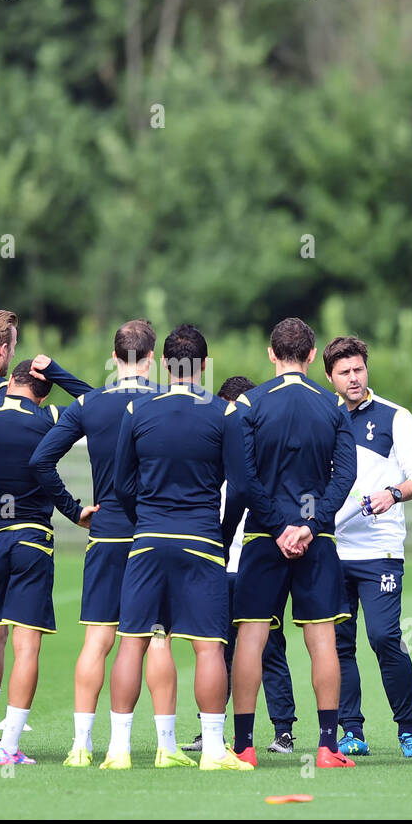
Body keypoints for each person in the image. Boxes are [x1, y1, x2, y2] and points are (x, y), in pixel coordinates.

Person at [27, 319, 181, 767]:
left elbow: (41, 460)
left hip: (107, 531)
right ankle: (166, 747)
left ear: (115, 357)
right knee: (157, 639)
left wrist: (73, 510)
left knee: (98, 640)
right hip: (152, 533)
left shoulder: (91, 404)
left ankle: (80, 747)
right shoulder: (162, 401)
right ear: (152, 357)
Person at [106, 325, 252, 771]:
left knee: (131, 642)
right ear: (205, 367)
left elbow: (120, 484)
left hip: (148, 540)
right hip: (202, 539)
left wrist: (147, 518)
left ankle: (119, 750)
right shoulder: (223, 414)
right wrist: (221, 535)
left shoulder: (136, 407)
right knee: (208, 647)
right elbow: (242, 486)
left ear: (165, 365)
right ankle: (211, 751)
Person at [0, 310, 89, 757]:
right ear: (40, 390)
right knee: (25, 644)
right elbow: (99, 402)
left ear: (9, 381)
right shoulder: (49, 416)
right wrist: (58, 373)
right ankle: (9, 746)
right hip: (32, 540)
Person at [230, 317, 357, 769]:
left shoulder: (248, 403)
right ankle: (328, 747)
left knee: (251, 638)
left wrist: (278, 526)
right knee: (322, 639)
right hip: (316, 541)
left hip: (264, 538)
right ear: (309, 355)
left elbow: (242, 480)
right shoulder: (334, 405)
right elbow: (346, 477)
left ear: (271, 354)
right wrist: (310, 523)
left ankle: (243, 746)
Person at [323, 336, 412, 759]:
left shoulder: (395, 416)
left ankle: (408, 728)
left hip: (381, 550)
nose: (353, 378)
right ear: (330, 376)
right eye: (344, 372)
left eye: (359, 369)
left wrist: (393, 492)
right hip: (333, 549)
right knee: (338, 641)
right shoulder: (323, 416)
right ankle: (352, 730)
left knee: (385, 636)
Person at [184, 375, 298, 756]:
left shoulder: (259, 463)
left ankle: (283, 729)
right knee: (217, 648)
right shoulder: (208, 459)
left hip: (253, 563)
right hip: (217, 567)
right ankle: (211, 728)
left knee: (269, 646)